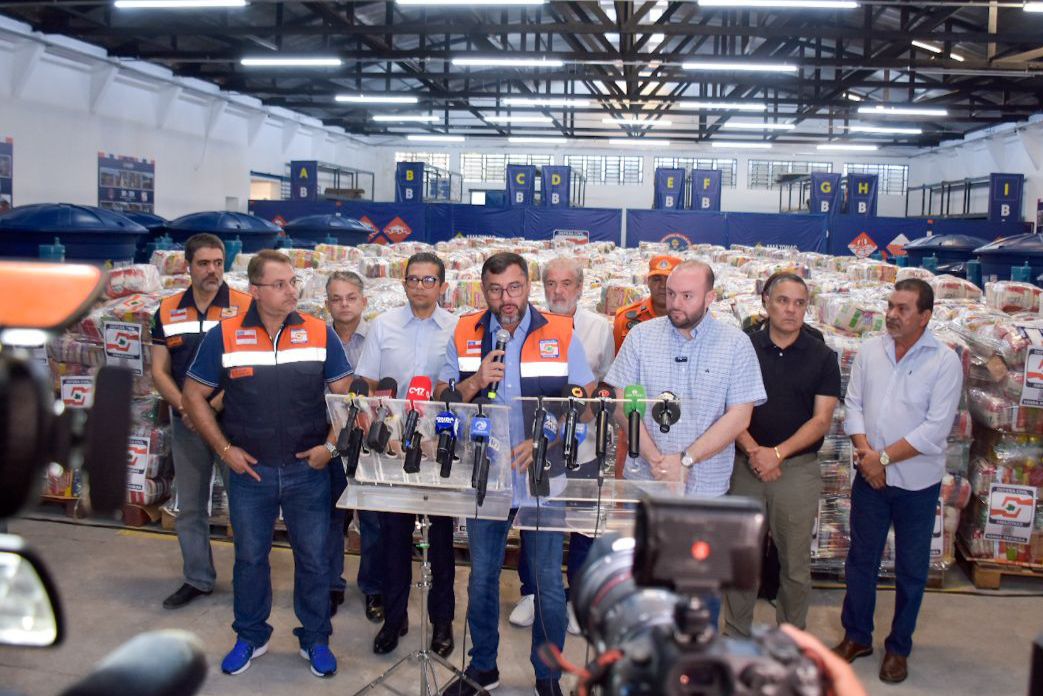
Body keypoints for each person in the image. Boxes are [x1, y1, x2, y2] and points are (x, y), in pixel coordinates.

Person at [183, 249, 352, 679]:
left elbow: (348, 400)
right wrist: (224, 450)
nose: (291, 291)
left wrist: (330, 449)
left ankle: (315, 638)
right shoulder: (225, 336)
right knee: (250, 558)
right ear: (254, 290)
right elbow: (192, 396)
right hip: (249, 474)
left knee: (314, 560)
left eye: (293, 282)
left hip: (307, 472)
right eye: (279, 284)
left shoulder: (318, 333)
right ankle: (250, 635)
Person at [436, 252, 595, 696]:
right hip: (486, 476)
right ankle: (483, 667)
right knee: (483, 576)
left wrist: (545, 438)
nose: (505, 299)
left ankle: (548, 677)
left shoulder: (561, 333)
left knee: (547, 582)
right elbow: (442, 399)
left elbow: (580, 401)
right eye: (495, 289)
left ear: (528, 286)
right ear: (483, 289)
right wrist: (474, 381)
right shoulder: (465, 331)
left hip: (543, 477)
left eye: (514, 288)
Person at [603, 260, 766, 628]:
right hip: (644, 483)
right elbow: (622, 402)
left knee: (699, 593)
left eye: (687, 296)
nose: (676, 303)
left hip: (704, 493)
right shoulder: (641, 337)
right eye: (672, 293)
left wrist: (685, 461)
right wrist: (657, 459)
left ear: (710, 297)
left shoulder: (735, 345)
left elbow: (739, 417)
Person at [833, 278, 962, 685]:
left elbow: (934, 430)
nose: (892, 313)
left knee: (910, 569)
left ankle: (898, 647)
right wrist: (866, 453)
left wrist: (882, 458)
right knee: (861, 561)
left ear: (925, 316)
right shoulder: (872, 351)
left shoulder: (944, 362)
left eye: (903, 308)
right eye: (891, 305)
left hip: (916, 485)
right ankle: (857, 636)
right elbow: (852, 404)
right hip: (869, 479)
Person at [722, 272, 841, 638]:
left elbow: (821, 420)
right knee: (741, 560)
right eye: (783, 301)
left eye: (799, 303)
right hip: (745, 467)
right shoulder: (743, 349)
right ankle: (736, 635)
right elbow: (727, 407)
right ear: (766, 304)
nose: (791, 310)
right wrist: (755, 451)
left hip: (796, 472)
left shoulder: (822, 356)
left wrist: (777, 454)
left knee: (794, 565)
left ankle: (791, 639)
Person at [352, 252, 459, 658]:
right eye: (413, 279)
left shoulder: (457, 328)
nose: (420, 286)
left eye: (429, 280)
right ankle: (395, 621)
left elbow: (458, 388)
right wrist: (383, 432)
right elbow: (368, 380)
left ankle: (442, 623)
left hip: (438, 449)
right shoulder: (384, 326)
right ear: (404, 283)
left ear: (442, 286)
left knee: (442, 542)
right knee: (393, 540)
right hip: (394, 447)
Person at [509, 257, 615, 635]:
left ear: (581, 287)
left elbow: (606, 382)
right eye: (551, 283)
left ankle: (575, 597)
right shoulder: (529, 325)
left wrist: (590, 407)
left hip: (583, 445)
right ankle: (532, 592)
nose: (558, 291)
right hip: (539, 446)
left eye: (567, 283)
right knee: (536, 518)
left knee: (583, 524)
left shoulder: (599, 328)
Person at [150, 233, 252, 610]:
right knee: (190, 506)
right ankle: (197, 577)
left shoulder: (245, 306)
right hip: (186, 422)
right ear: (187, 266)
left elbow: (248, 362)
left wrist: (210, 407)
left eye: (217, 263)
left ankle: (250, 578)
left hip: (235, 422)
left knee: (244, 507)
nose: (212, 270)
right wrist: (189, 408)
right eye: (204, 263)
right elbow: (159, 370)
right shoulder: (166, 310)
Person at [324, 270, 384, 623]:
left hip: (369, 442)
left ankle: (373, 587)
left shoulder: (377, 337)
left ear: (363, 301)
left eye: (351, 297)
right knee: (332, 517)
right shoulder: (317, 337)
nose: (344, 305)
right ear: (327, 303)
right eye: (336, 298)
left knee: (373, 519)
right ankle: (332, 584)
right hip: (329, 439)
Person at [612, 254, 681, 352]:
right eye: (657, 279)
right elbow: (617, 362)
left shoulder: (692, 320)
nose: (662, 285)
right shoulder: (625, 319)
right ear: (648, 282)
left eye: (670, 279)